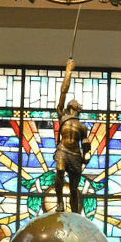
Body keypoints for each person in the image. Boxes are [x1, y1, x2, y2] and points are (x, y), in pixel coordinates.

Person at [54, 57, 91, 213]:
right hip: (62, 150)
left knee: (74, 189)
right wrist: (68, 71)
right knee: (60, 171)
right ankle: (59, 203)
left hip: (75, 155)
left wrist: (86, 158)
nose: (74, 101)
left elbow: (86, 146)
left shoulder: (82, 127)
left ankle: (75, 213)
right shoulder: (62, 116)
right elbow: (63, 91)